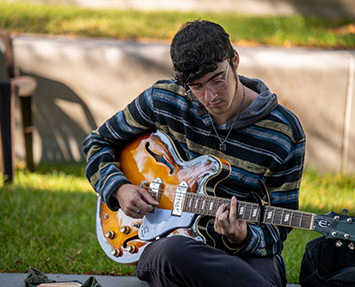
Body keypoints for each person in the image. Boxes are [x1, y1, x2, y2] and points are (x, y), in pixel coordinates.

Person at [83, 20, 305, 287]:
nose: (210, 96)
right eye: (196, 87)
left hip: (245, 257)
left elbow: (278, 227)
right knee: (172, 254)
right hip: (173, 246)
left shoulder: (283, 132)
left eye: (217, 79)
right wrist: (118, 188)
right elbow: (98, 142)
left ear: (234, 60)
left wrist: (242, 236)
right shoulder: (162, 100)